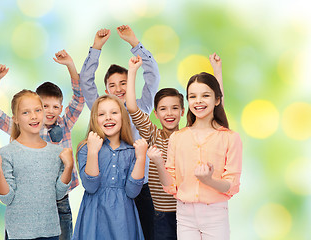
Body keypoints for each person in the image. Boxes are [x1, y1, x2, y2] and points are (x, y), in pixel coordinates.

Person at [0, 50, 84, 240]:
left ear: (60, 108)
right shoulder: (19, 129)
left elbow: (79, 98)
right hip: (24, 209)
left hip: (58, 200)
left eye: (54, 107)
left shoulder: (65, 123)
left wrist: (70, 65)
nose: (47, 112)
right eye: (42, 107)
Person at [126, 53, 223, 239]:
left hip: (189, 212)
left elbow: (217, 109)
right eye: (163, 109)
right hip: (160, 214)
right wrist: (132, 71)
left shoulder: (191, 135)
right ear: (156, 113)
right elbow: (131, 107)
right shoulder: (153, 135)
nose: (169, 113)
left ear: (182, 111)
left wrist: (217, 71)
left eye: (174, 108)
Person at [79, 25, 159, 239]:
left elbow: (152, 77)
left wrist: (135, 43)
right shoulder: (102, 111)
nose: (119, 89)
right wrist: (96, 48)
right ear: (106, 91)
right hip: (105, 188)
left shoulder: (140, 108)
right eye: (112, 85)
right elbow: (85, 82)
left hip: (139, 187)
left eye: (124, 83)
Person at [153, 71, 242, 239]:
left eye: (205, 95)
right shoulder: (177, 138)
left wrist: (209, 180)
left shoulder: (230, 138)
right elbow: (170, 186)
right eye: (192, 96)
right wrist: (158, 162)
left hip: (215, 214)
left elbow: (231, 185)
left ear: (217, 100)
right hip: (184, 214)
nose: (198, 101)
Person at [0, 89, 73, 239]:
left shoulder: (56, 152)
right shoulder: (8, 152)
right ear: (16, 119)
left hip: (50, 232)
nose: (33, 116)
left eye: (38, 110)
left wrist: (69, 166)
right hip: (19, 233)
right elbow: (7, 198)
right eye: (26, 112)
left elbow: (58, 194)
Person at [72, 94, 148, 240]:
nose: (108, 117)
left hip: (123, 221)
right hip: (94, 217)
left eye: (114, 112)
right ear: (95, 119)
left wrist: (141, 158)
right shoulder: (86, 148)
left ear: (123, 117)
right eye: (101, 114)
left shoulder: (131, 151)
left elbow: (132, 192)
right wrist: (93, 152)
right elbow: (90, 186)